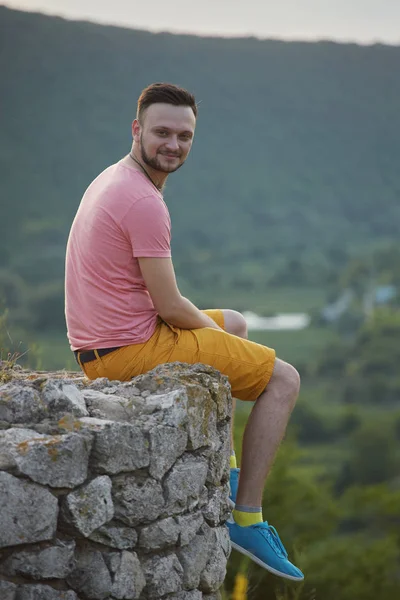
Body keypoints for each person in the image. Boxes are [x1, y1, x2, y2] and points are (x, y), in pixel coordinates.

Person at [65, 82, 304, 581]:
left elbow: (163, 304)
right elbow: (171, 307)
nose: (173, 144)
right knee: (283, 380)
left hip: (102, 345)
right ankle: (248, 518)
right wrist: (238, 351)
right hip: (128, 353)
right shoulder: (144, 202)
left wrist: (228, 338)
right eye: (162, 132)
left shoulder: (114, 177)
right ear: (137, 130)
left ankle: (231, 471)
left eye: (185, 135)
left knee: (234, 320)